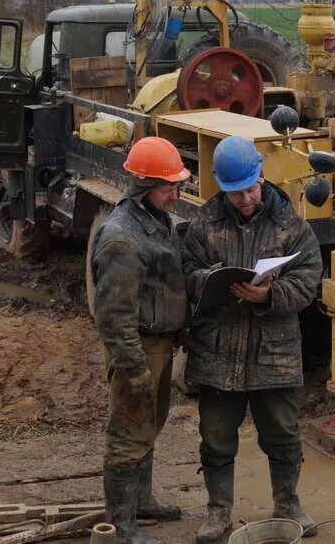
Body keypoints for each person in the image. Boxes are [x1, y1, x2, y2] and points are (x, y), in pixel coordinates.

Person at [182, 136, 324, 543]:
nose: (245, 198)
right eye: (235, 191)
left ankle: (288, 504)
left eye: (250, 187)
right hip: (217, 351)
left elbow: (308, 280)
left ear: (261, 175)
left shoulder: (291, 227)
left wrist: (270, 294)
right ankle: (218, 512)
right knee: (215, 435)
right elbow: (187, 272)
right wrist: (207, 280)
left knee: (282, 432)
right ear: (220, 187)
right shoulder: (204, 224)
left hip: (273, 352)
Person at [92, 137, 190, 544]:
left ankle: (143, 501)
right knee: (128, 433)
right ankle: (122, 524)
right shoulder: (122, 238)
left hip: (160, 343)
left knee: (149, 425)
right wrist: (133, 368)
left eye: (176, 186)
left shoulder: (154, 218)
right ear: (144, 185)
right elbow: (114, 316)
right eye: (169, 187)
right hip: (140, 347)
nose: (176, 195)